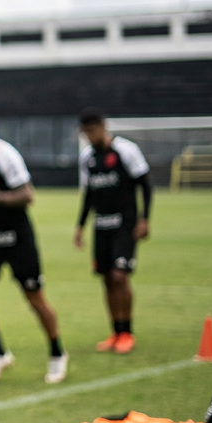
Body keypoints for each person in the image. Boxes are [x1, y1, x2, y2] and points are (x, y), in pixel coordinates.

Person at [0, 100, 67, 386]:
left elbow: (26, 196)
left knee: (35, 299)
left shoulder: (5, 156)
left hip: (18, 239)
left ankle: (57, 353)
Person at [75, 107, 153, 354]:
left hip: (125, 224)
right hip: (101, 225)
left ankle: (127, 332)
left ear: (104, 127)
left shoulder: (125, 150)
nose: (90, 136)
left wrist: (145, 219)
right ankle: (115, 331)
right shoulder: (87, 157)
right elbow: (88, 194)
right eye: (86, 132)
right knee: (107, 279)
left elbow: (145, 185)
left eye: (93, 130)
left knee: (120, 276)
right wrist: (80, 226)